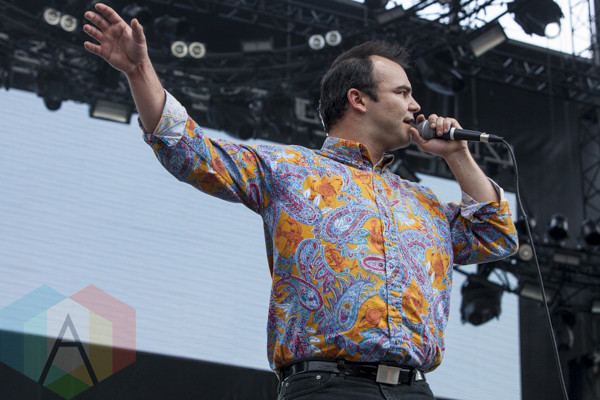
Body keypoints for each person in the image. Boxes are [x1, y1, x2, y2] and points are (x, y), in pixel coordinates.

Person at [84, 4, 518, 399]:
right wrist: (139, 70)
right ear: (358, 99)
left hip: (414, 390)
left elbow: (496, 235)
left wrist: (458, 156)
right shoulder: (290, 169)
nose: (417, 105)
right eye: (402, 93)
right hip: (325, 387)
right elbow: (191, 151)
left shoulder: (421, 201)